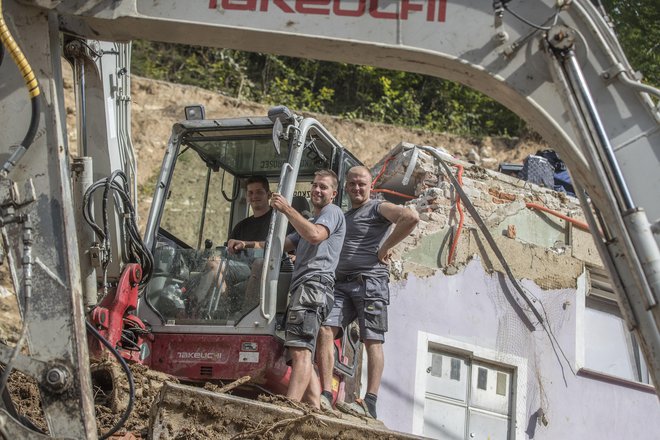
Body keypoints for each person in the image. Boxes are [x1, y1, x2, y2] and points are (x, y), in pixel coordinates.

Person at [317, 166, 419, 418]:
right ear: (346, 187)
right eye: (352, 184)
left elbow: (410, 217)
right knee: (325, 330)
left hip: (369, 283)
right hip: (341, 284)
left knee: (372, 339)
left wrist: (385, 247)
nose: (357, 188)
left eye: (361, 183)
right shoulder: (345, 216)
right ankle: (326, 393)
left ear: (370, 185)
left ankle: (370, 402)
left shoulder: (377, 207)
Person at [237, 170, 345, 408]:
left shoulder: (332, 213)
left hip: (312, 286)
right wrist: (245, 244)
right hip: (304, 288)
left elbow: (316, 236)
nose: (317, 190)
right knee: (300, 351)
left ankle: (288, 408)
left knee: (301, 351)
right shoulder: (311, 222)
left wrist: (286, 209)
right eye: (315, 185)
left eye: (323, 187)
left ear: (333, 194)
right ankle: (314, 407)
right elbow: (277, 246)